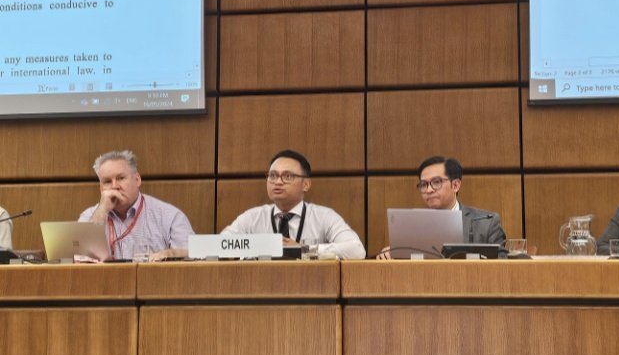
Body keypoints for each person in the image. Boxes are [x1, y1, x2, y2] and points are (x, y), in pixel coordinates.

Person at [221, 149, 366, 260]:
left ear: (306, 184)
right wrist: (259, 247)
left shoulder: (324, 217)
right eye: (272, 176)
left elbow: (357, 250)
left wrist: (304, 250)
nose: (278, 182)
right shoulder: (252, 217)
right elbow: (220, 246)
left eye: (287, 176)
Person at [377, 156, 506, 259]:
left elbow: (503, 263)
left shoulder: (486, 223)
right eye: (424, 184)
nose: (429, 190)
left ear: (455, 185)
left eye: (436, 182)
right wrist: (393, 254)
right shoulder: (412, 226)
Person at [79, 150, 194, 261]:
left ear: (137, 180)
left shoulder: (169, 216)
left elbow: (193, 255)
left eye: (121, 178)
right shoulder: (89, 216)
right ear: (101, 188)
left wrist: (170, 254)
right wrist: (102, 210)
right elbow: (79, 255)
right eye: (107, 181)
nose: (114, 186)